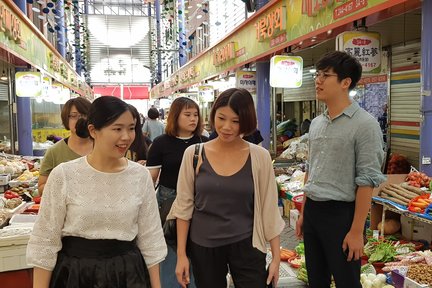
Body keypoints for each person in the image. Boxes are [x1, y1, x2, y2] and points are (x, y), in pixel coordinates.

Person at [27, 96, 167, 288]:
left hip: (127, 274)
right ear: (93, 131)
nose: (126, 137)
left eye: (131, 128)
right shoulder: (64, 174)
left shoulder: (140, 176)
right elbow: (45, 240)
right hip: (75, 275)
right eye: (117, 129)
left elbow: (151, 238)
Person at [171, 88, 284, 288]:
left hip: (248, 244)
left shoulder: (260, 156)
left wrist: (275, 257)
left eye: (236, 121)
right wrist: (181, 255)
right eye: (221, 118)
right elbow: (183, 207)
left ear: (246, 121)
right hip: (204, 246)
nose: (226, 127)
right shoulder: (194, 154)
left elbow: (269, 208)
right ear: (213, 115)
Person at [295, 51, 386, 287]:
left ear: (346, 83)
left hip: (341, 214)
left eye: (326, 75)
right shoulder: (316, 123)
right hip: (314, 210)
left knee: (347, 281)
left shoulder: (366, 125)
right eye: (318, 74)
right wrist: (305, 212)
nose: (318, 80)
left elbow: (366, 181)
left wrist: (357, 231)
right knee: (316, 280)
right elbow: (311, 171)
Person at [146, 97, 207, 288]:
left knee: (197, 250)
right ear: (175, 116)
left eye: (196, 115)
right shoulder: (161, 143)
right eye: (187, 115)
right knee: (171, 252)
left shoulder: (205, 142)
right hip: (168, 202)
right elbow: (151, 179)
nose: (193, 119)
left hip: (201, 203)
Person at [38, 97, 93, 195]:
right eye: (74, 116)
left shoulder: (104, 148)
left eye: (85, 115)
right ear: (66, 119)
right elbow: (41, 188)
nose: (80, 120)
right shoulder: (54, 152)